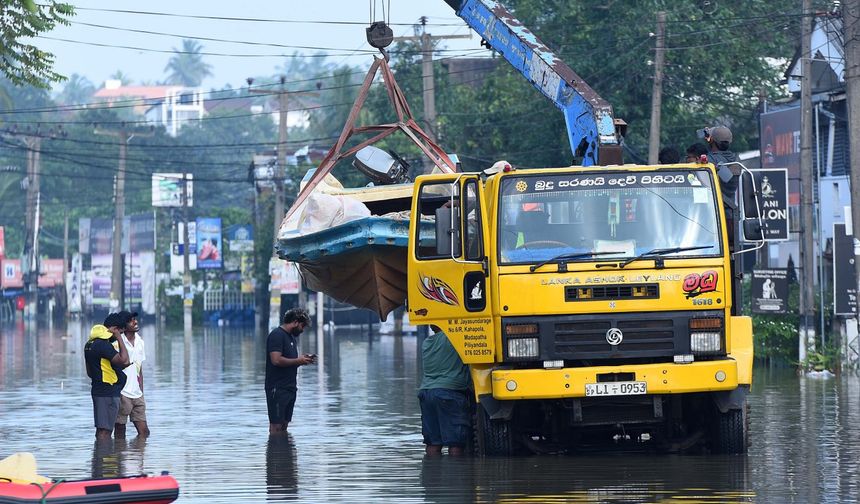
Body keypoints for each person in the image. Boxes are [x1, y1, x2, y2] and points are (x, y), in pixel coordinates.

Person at [417, 326, 472, 456]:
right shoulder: (454, 337)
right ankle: (456, 468)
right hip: (449, 392)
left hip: (426, 392)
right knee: (456, 443)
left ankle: (432, 468)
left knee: (433, 443)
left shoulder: (426, 343)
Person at [265, 308, 314, 434]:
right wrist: (298, 361)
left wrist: (303, 360)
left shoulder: (291, 338)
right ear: (295, 322)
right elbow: (276, 360)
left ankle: (283, 447)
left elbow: (291, 362)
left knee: (284, 426)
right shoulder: (277, 335)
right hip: (277, 388)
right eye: (302, 326)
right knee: (276, 426)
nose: (303, 330)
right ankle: (274, 446)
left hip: (290, 388)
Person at [84, 314, 129, 440]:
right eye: (120, 332)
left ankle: (100, 452)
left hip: (98, 389)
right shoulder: (103, 344)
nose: (120, 336)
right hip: (108, 391)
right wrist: (119, 338)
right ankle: (104, 451)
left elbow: (89, 372)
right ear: (114, 329)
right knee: (106, 431)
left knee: (101, 429)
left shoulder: (89, 343)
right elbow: (125, 360)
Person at [114, 310, 149, 439]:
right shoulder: (117, 342)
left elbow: (140, 369)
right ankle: (119, 451)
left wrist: (142, 392)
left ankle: (137, 451)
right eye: (131, 320)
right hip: (122, 393)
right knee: (120, 431)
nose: (135, 322)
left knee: (144, 432)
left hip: (137, 394)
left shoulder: (140, 342)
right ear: (124, 326)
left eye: (135, 319)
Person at [702, 125, 740, 202]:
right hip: (731, 206)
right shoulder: (736, 160)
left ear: (711, 140)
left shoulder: (709, 161)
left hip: (712, 206)